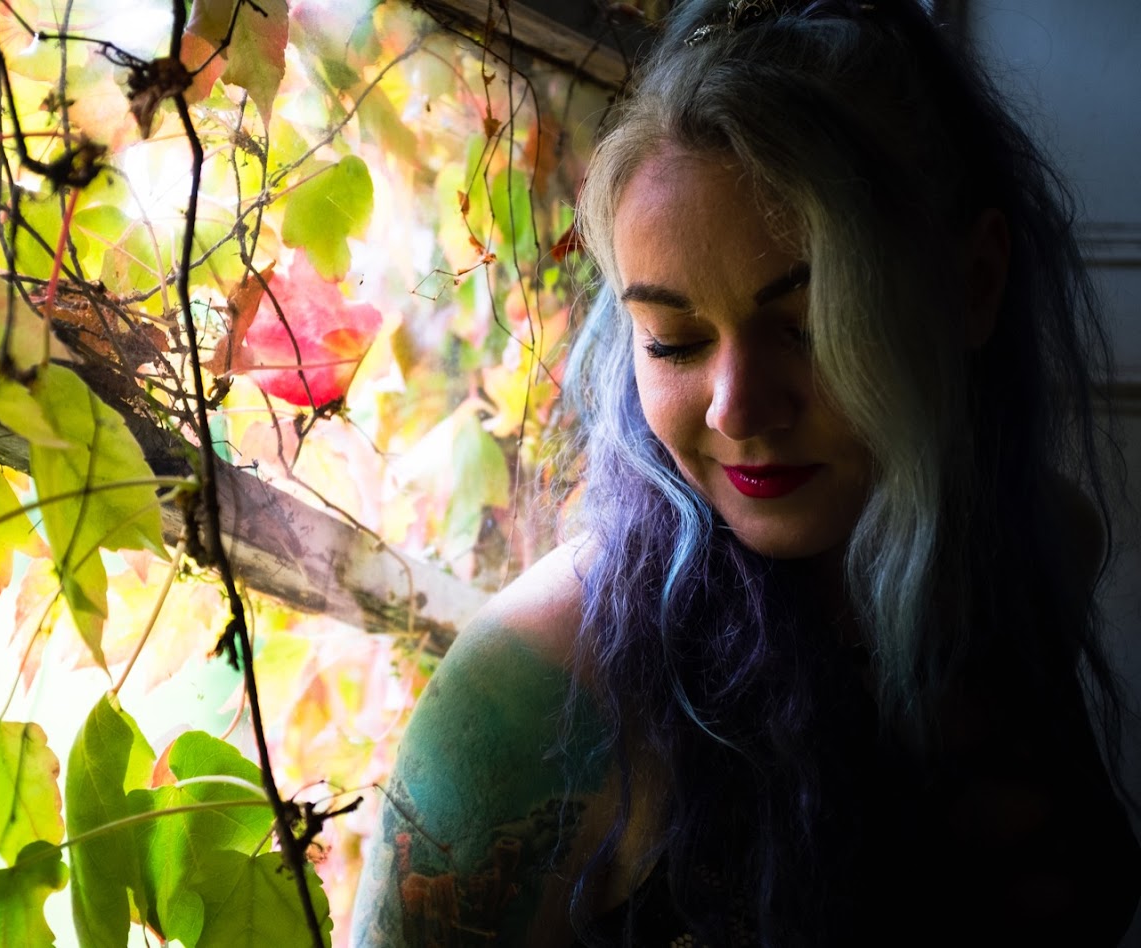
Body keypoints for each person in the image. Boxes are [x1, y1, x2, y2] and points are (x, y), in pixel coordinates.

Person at [350, 0, 1141, 945]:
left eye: (807, 328)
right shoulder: (540, 684)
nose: (736, 408)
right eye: (674, 342)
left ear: (973, 284)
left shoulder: (1038, 545)